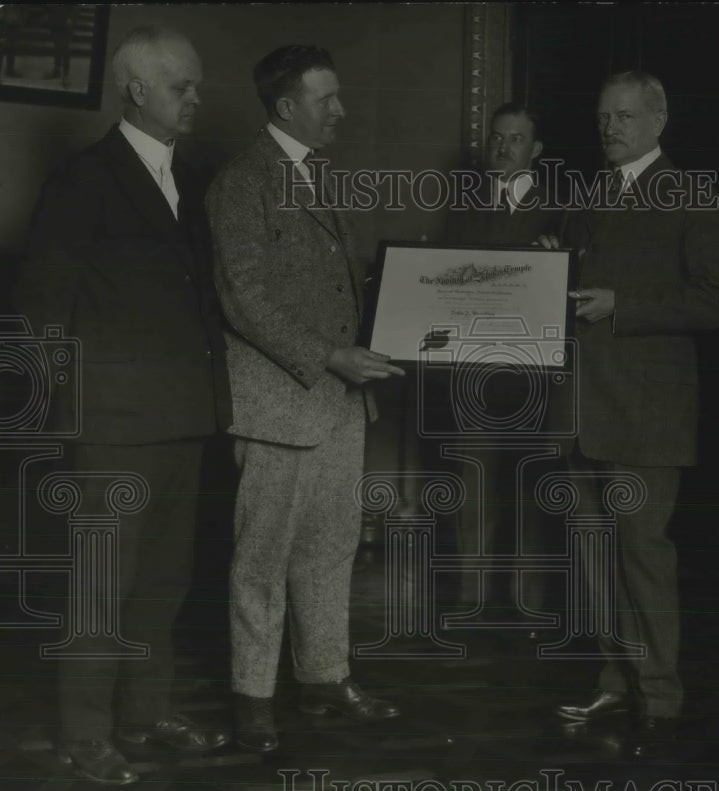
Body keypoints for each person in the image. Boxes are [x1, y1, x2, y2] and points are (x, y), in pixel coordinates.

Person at [15, 26, 232, 785]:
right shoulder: (82, 180)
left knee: (163, 584)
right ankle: (85, 735)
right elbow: (42, 310)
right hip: (112, 425)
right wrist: (67, 416)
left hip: (184, 419)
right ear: (137, 90)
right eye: (182, 87)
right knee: (100, 589)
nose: (196, 98)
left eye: (197, 85)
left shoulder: (190, 179)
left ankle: (145, 715)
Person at [207, 45, 404, 754]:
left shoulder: (323, 174)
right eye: (327, 99)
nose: (341, 110)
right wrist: (329, 356)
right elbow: (245, 298)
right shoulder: (241, 182)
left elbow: (339, 285)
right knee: (261, 558)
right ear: (287, 106)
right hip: (280, 403)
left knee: (331, 547)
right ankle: (252, 696)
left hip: (341, 402)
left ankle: (325, 677)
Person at [540, 70, 719, 759]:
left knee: (643, 557)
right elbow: (577, 288)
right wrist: (550, 268)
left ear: (659, 120)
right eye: (603, 116)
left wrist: (623, 306)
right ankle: (615, 682)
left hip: (647, 413)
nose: (610, 128)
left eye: (624, 116)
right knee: (595, 559)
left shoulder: (690, 195)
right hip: (583, 407)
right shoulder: (589, 193)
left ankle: (660, 696)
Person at [440, 103, 562, 624]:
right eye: (496, 137)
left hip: (535, 371)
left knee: (533, 486)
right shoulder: (463, 206)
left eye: (515, 139)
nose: (502, 147)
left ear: (536, 150)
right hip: (473, 369)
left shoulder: (561, 208)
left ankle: (528, 602)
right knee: (474, 485)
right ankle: (471, 599)